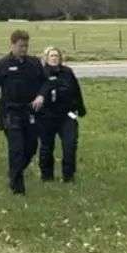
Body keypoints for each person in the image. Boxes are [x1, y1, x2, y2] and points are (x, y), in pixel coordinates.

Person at [0, 30, 46, 195]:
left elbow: (45, 83)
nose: (24, 49)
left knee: (31, 147)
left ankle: (14, 171)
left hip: (30, 111)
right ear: (12, 45)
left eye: (26, 46)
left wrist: (41, 95)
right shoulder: (2, 64)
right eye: (20, 46)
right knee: (16, 148)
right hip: (10, 112)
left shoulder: (34, 63)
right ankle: (18, 188)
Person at [37, 46, 86, 183]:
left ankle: (68, 176)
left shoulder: (67, 72)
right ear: (46, 58)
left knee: (70, 145)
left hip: (66, 115)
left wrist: (80, 108)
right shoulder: (41, 73)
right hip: (47, 116)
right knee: (46, 147)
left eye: (56, 56)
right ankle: (47, 177)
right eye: (51, 56)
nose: (54, 58)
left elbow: (76, 91)